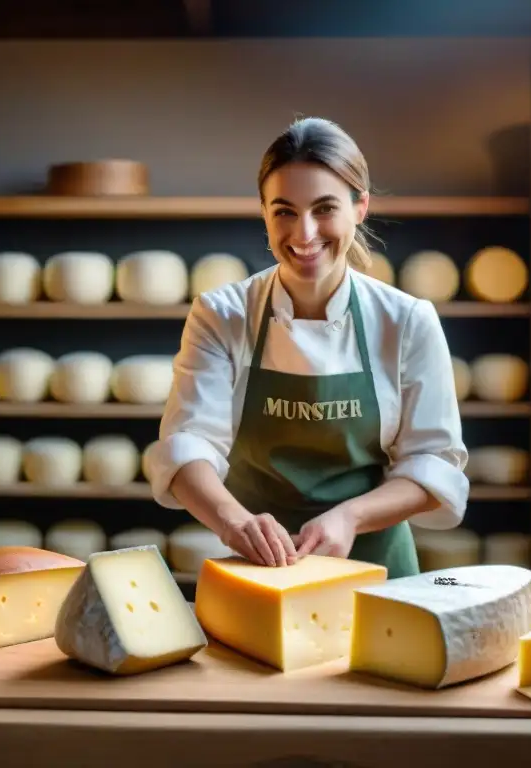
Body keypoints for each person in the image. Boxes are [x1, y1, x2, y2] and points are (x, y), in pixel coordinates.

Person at [143, 116, 469, 576]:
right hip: (257, 565)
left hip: (374, 567)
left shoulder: (406, 321)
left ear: (360, 207)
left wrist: (351, 516)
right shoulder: (222, 315)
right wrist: (235, 523)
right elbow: (187, 445)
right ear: (263, 212)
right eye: (285, 211)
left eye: (324, 209)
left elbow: (435, 463)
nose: (304, 234)